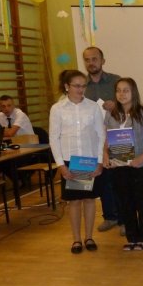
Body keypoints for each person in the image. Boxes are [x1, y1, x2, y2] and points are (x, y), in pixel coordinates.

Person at [49, 70, 105, 254]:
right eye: (77, 86)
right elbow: (54, 138)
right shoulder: (57, 109)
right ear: (67, 86)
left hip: (88, 159)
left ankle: (89, 237)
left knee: (89, 200)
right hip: (70, 160)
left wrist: (99, 161)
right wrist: (61, 165)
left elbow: (100, 135)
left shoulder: (93, 107)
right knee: (74, 202)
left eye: (83, 86)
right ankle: (76, 240)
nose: (81, 89)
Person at [104, 78, 143, 252]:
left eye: (126, 90)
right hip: (119, 165)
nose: (122, 94)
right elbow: (107, 139)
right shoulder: (111, 115)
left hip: (141, 164)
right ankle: (132, 237)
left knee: (140, 200)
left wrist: (141, 158)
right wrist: (106, 155)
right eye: (118, 90)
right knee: (125, 201)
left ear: (133, 92)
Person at [82, 46, 122, 233]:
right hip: (91, 139)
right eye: (87, 59)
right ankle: (110, 217)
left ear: (102, 60)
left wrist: (116, 105)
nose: (91, 63)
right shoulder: (81, 85)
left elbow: (130, 105)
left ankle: (125, 219)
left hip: (118, 137)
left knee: (120, 179)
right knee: (102, 180)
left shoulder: (116, 81)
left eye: (94, 59)